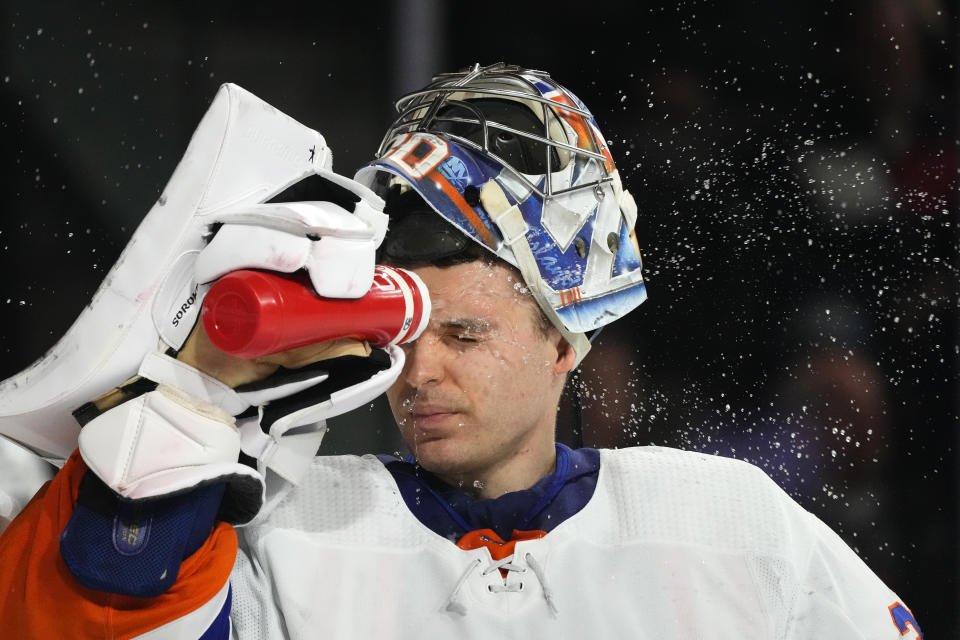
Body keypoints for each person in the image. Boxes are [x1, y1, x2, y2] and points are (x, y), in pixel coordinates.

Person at [0, 63, 922, 639]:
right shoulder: (283, 524)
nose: (422, 369)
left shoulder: (728, 523)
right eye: (403, 332)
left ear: (565, 342)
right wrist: (178, 437)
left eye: (465, 334)